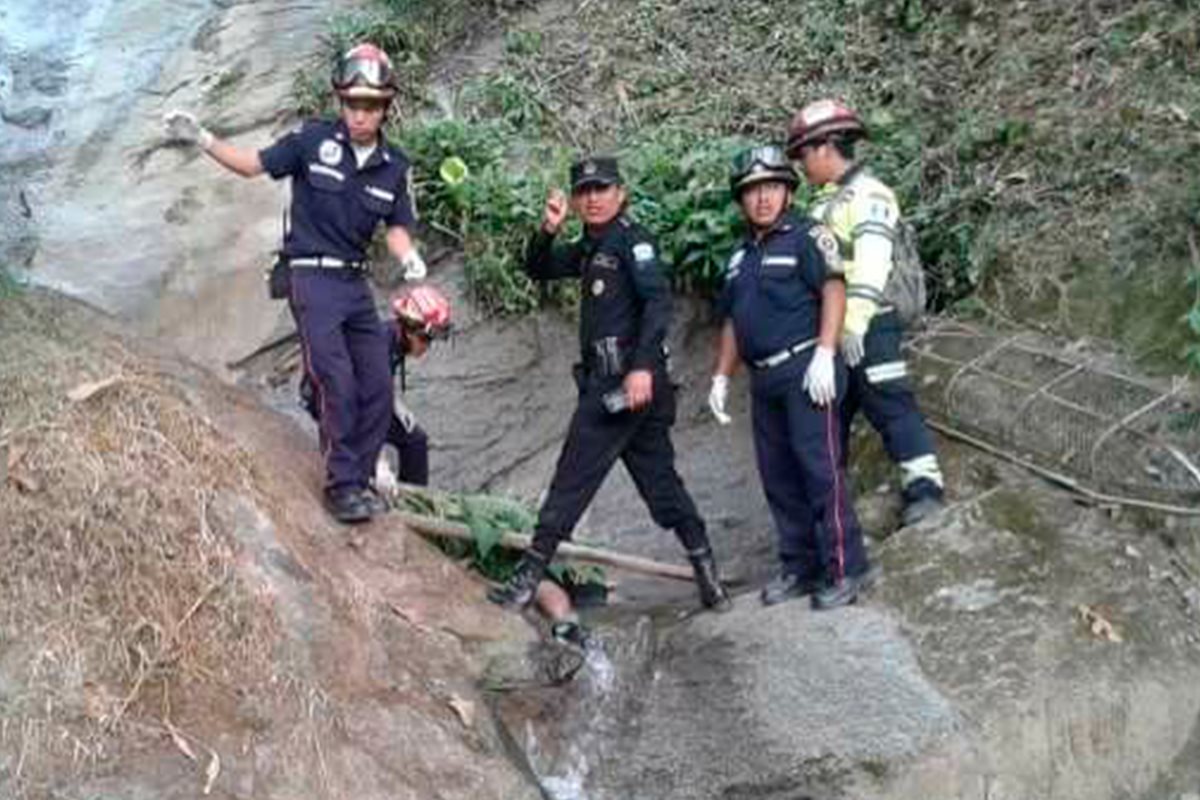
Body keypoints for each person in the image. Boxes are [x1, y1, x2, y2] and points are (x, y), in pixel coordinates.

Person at [162, 43, 428, 524]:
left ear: (387, 105)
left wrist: (408, 257)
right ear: (339, 100)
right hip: (311, 278)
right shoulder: (312, 140)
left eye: (370, 104)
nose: (360, 114)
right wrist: (201, 137)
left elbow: (396, 226)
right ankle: (342, 486)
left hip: (354, 284)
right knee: (337, 382)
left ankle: (364, 471)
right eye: (352, 102)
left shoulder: (395, 165)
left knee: (377, 385)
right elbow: (251, 165)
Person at [487, 155, 731, 613]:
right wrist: (548, 229)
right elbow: (539, 268)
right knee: (662, 489)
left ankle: (528, 579)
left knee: (570, 481)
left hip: (625, 386)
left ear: (621, 193)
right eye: (584, 191)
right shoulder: (590, 247)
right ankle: (708, 574)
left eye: (602, 189)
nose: (593, 198)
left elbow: (657, 304)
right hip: (616, 385)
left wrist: (640, 369)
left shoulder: (632, 242)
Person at [707, 145, 871, 609]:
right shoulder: (739, 257)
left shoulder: (808, 236)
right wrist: (721, 376)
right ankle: (799, 568)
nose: (763, 198)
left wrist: (825, 351)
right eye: (753, 191)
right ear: (741, 199)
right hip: (764, 381)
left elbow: (833, 290)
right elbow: (734, 322)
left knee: (820, 472)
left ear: (787, 192)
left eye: (772, 188)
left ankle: (846, 568)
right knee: (778, 478)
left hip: (806, 371)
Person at [786, 99, 945, 528]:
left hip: (869, 323)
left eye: (803, 153)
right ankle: (830, 513)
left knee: (890, 401)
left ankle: (925, 488)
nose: (801, 164)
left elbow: (873, 262)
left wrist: (854, 324)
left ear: (824, 147)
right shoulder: (823, 204)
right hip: (831, 329)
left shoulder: (869, 195)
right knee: (829, 417)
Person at [300, 284, 452, 489]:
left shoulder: (394, 339)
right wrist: (379, 461)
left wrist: (395, 404)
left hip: (361, 398)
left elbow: (379, 384)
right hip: (336, 402)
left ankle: (415, 495)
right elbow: (365, 408)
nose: (427, 346)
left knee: (415, 440)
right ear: (410, 329)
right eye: (425, 339)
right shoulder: (378, 345)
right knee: (367, 462)